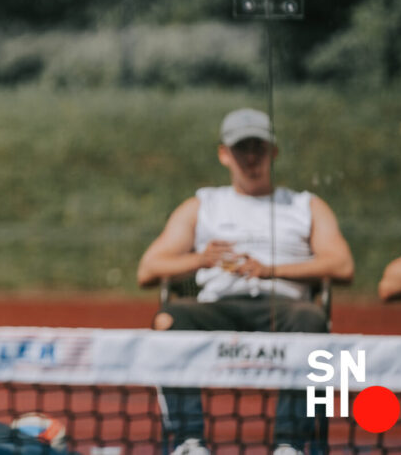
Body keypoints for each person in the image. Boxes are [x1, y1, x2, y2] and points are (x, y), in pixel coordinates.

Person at [136, 107, 355, 455]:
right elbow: (148, 269)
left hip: (285, 308)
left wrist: (271, 270)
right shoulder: (202, 205)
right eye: (241, 148)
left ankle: (291, 444)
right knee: (168, 320)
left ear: (273, 152)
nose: (251, 157)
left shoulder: (306, 206)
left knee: (313, 322)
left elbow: (342, 265)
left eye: (259, 147)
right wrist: (202, 259)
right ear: (224, 154)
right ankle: (188, 442)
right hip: (219, 306)